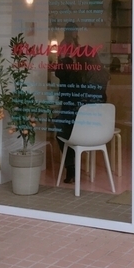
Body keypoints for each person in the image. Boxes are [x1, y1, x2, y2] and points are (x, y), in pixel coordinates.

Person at [55, 22, 83, 184]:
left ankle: (71, 167)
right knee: (67, 129)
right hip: (70, 94)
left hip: (72, 95)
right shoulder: (65, 45)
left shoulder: (74, 45)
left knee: (66, 130)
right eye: (75, 31)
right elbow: (61, 70)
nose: (76, 33)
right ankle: (72, 166)